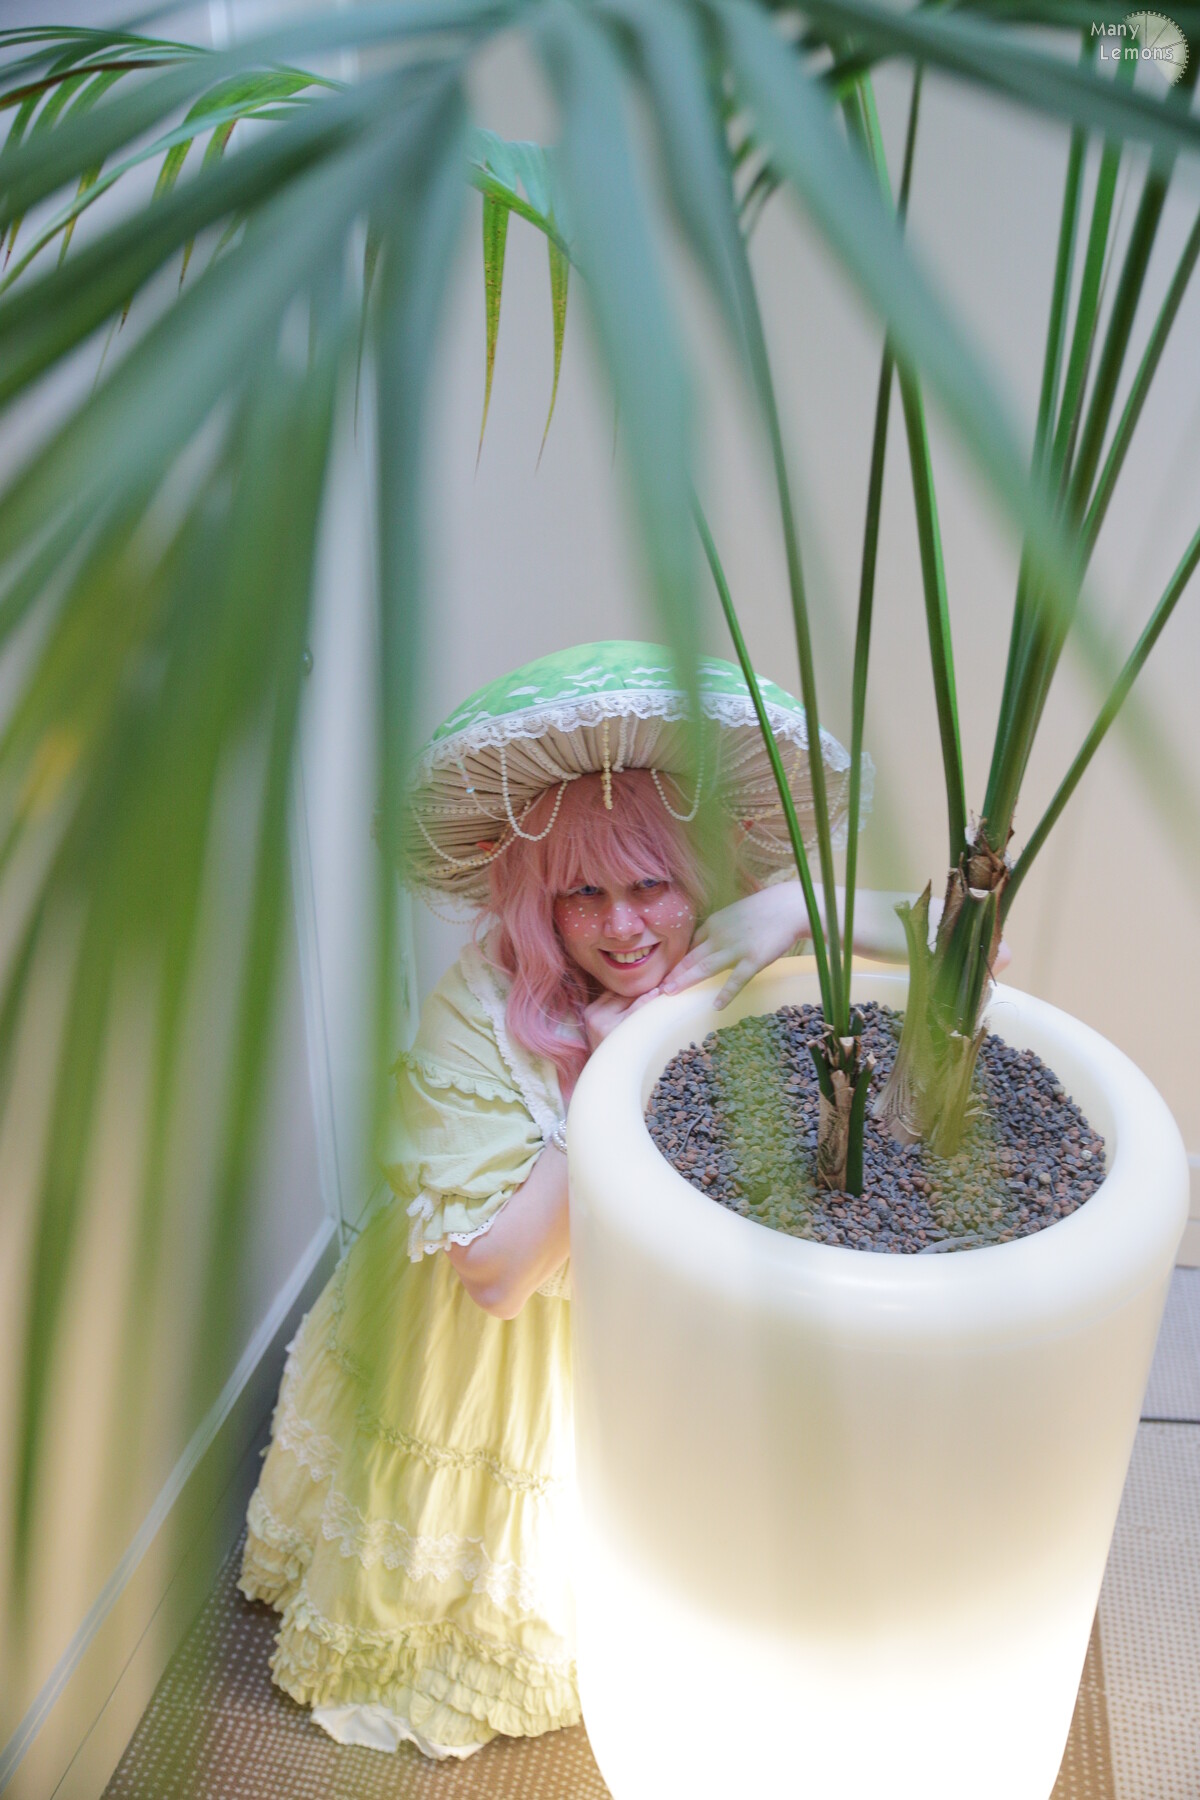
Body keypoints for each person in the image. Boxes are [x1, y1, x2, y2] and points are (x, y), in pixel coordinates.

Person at [239, 640, 920, 1759]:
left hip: (670, 1316)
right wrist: (601, 1079)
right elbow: (500, 1279)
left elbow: (973, 955)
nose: (624, 927)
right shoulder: (480, 1010)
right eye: (582, 895)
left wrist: (794, 911)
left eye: (653, 883)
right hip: (503, 1357)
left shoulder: (725, 947)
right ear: (537, 906)